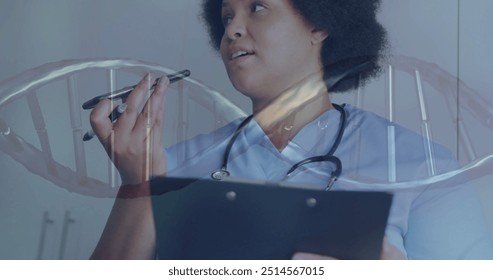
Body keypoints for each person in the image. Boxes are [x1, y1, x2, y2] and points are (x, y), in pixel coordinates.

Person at [89, 0, 493, 259]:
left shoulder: (422, 168)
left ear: (319, 24)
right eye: (227, 16)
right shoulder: (169, 166)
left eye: (257, 8)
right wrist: (139, 184)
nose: (232, 30)